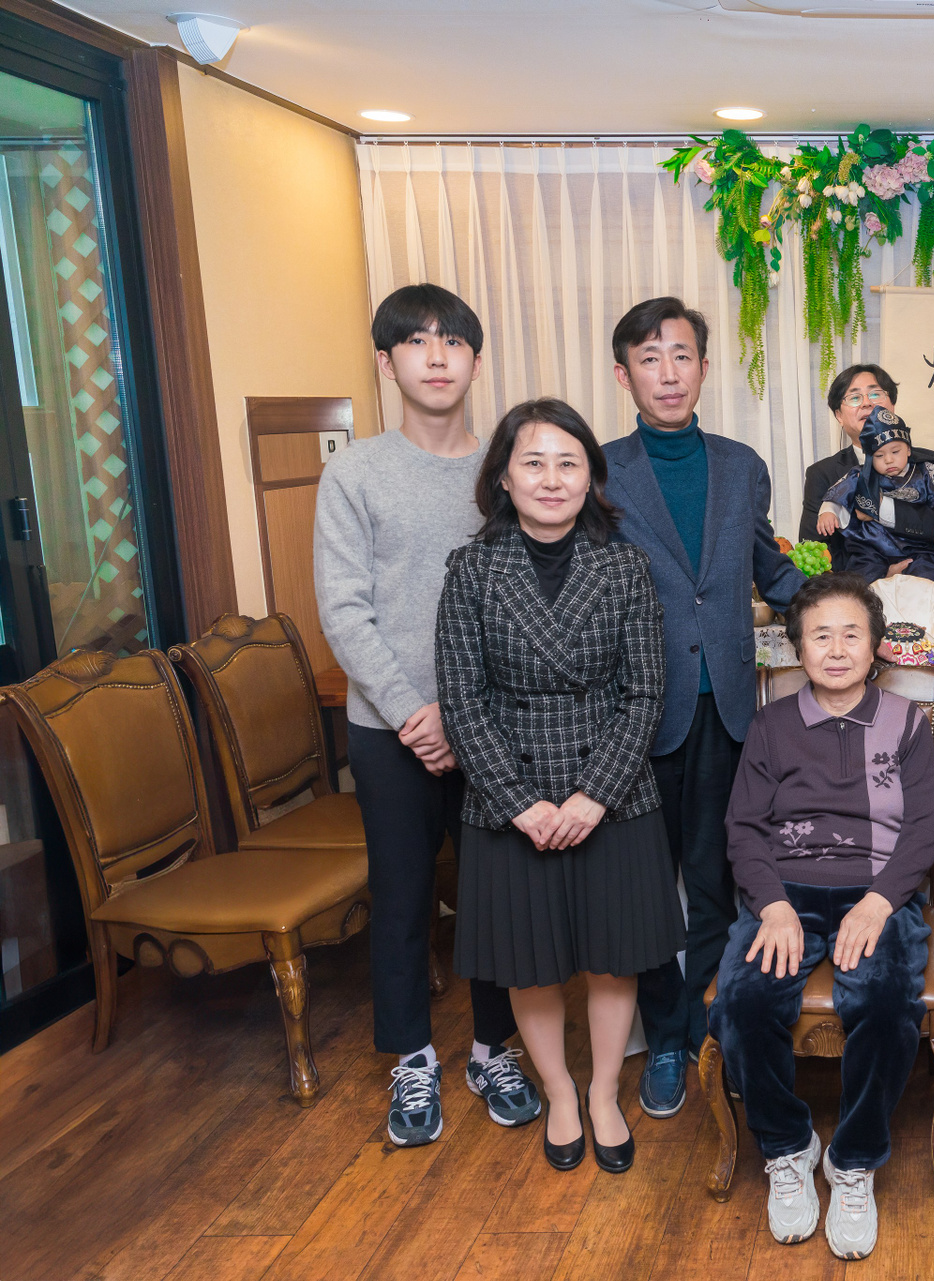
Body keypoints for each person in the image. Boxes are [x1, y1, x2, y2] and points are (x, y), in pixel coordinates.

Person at [315, 283, 538, 1147]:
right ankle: (411, 1057)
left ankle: (491, 1049)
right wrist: (416, 712)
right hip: (390, 731)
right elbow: (344, 610)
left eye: (453, 342)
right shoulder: (356, 472)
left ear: (477, 360)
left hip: (494, 726)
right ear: (386, 362)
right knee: (403, 898)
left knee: (495, 899)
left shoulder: (509, 469)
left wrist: (466, 713)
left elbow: (527, 602)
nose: (437, 356)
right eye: (416, 341)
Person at [437, 398, 679, 1174]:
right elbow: (461, 699)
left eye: (568, 462)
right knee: (528, 961)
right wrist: (519, 802)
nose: (551, 478)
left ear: (590, 478)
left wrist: (594, 794)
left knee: (613, 957)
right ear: (504, 477)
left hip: (613, 790)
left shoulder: (625, 567)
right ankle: (560, 1092)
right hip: (509, 796)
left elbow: (646, 691)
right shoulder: (472, 570)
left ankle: (603, 1091)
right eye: (533, 462)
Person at [600, 296, 808, 1120]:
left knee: (718, 882)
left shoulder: (740, 463)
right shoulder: (600, 470)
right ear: (625, 375)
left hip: (727, 707)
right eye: (649, 358)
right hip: (637, 715)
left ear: (704, 368)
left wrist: (848, 613)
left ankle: (708, 1026)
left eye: (681, 355)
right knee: (648, 890)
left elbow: (768, 566)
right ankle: (665, 1038)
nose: (668, 372)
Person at [709, 573, 934, 1261]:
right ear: (797, 647)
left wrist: (881, 900)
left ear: (875, 647)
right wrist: (774, 905)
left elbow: (923, 829)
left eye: (851, 635)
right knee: (745, 998)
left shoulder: (907, 722)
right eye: (820, 636)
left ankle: (854, 1159)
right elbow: (744, 828)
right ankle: (787, 1146)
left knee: (886, 999)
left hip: (877, 892)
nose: (836, 650)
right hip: (786, 891)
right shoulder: (771, 726)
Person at [797, 363, 934, 571]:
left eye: (875, 394)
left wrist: (880, 508)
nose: (867, 403)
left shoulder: (927, 462)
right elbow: (814, 549)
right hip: (856, 585)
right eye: (854, 397)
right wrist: (877, 576)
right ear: (839, 416)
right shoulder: (822, 473)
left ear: (892, 405)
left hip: (920, 576)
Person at [816, 407, 934, 586]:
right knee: (861, 581)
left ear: (908, 449)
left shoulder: (926, 471)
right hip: (872, 547)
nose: (888, 460)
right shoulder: (860, 475)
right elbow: (836, 495)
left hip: (918, 548)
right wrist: (828, 512)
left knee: (925, 578)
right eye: (879, 455)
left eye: (895, 452)